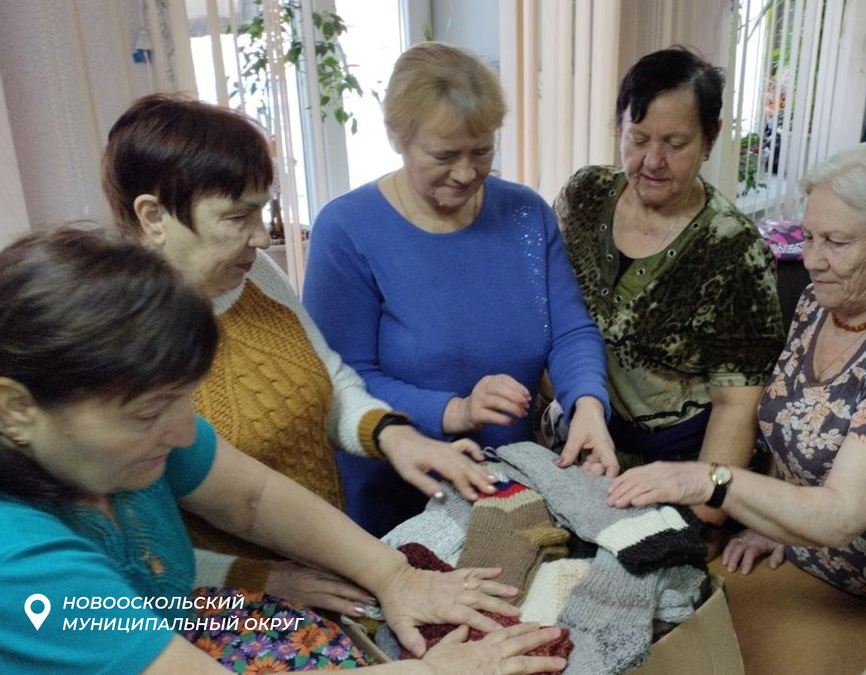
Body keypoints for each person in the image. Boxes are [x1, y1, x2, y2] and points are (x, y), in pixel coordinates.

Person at [0, 228, 566, 675]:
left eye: (185, 400)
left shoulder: (132, 442)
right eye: (148, 414)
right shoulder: (19, 563)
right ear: (15, 410)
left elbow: (252, 497)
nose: (184, 434)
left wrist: (395, 577)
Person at [102, 94, 496, 613]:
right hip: (217, 607)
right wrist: (259, 578)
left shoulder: (256, 277)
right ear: (154, 216)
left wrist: (391, 434)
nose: (261, 237)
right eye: (238, 216)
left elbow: (326, 385)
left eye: (262, 211)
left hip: (322, 567)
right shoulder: (112, 346)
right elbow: (129, 554)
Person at [607, 142, 866, 613]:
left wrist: (710, 480)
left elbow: (842, 516)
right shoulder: (821, 302)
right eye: (808, 237)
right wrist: (769, 524)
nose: (811, 260)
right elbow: (792, 426)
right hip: (800, 557)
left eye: (836, 242)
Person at [303, 42, 615, 535]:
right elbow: (341, 378)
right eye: (444, 155)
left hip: (508, 486)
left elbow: (570, 331)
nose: (467, 173)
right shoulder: (347, 230)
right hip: (393, 501)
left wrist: (588, 407)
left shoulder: (525, 214)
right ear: (397, 137)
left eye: (482, 151)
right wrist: (455, 411)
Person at [551, 48, 784, 517]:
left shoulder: (733, 250)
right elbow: (552, 309)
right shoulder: (586, 196)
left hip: (678, 467)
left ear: (710, 138)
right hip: (582, 436)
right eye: (637, 139)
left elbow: (736, 406)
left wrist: (706, 514)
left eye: (675, 144)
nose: (652, 161)